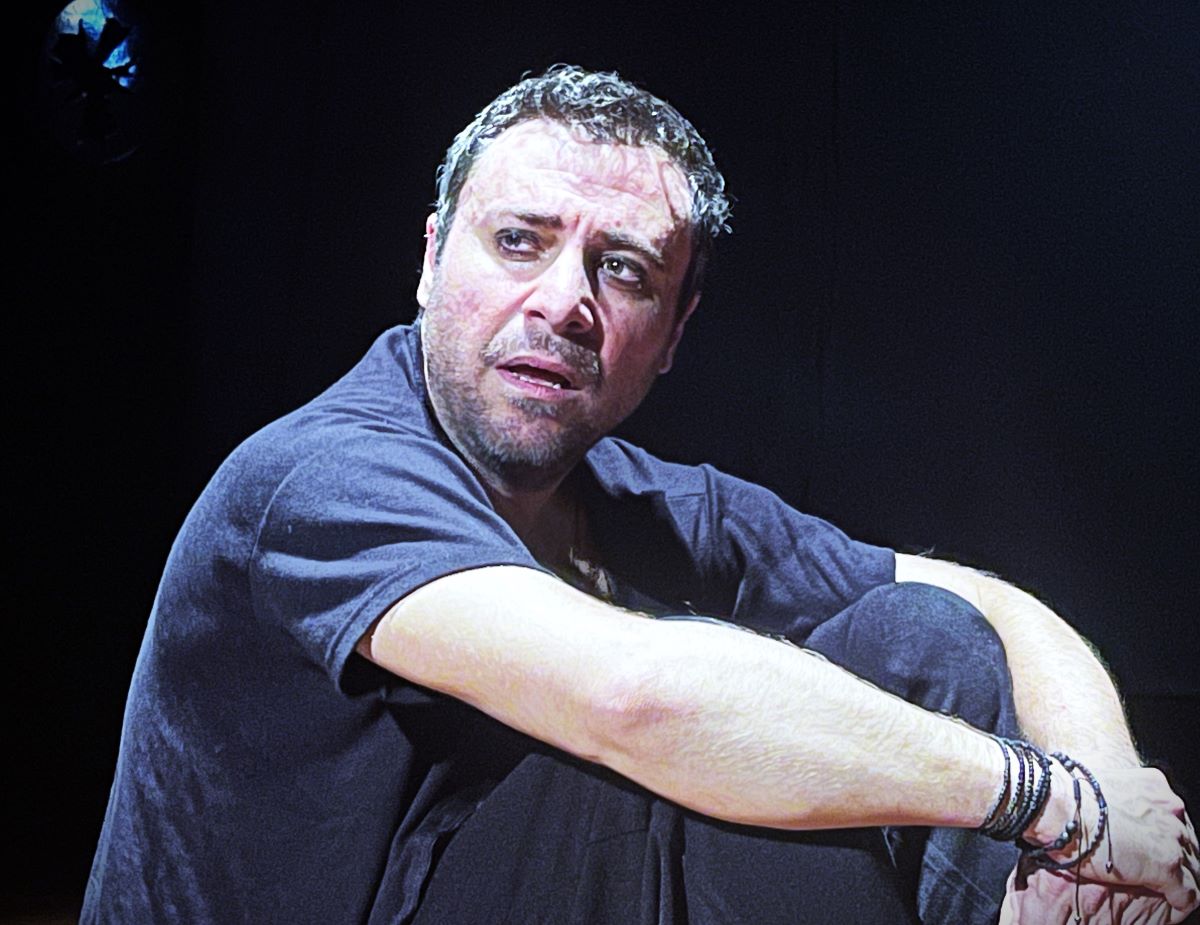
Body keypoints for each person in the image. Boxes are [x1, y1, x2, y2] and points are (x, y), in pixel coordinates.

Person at [82, 65, 1197, 924]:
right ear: (430, 262)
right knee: (711, 756)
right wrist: (1050, 802)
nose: (561, 302)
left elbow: (992, 606)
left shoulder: (645, 501)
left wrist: (1111, 794)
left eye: (622, 269)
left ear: (672, 332)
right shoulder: (321, 477)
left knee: (922, 638)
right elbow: (634, 698)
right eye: (518, 241)